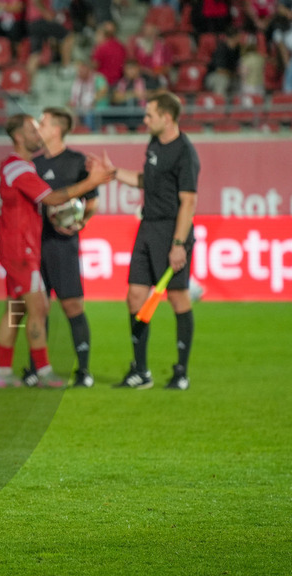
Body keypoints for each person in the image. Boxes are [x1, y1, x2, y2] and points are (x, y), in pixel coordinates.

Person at [0, 114, 112, 389]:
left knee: (16, 309)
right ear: (20, 137)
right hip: (22, 250)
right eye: (33, 131)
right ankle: (43, 372)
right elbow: (53, 198)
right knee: (39, 307)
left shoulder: (16, 167)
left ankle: (2, 373)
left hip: (16, 247)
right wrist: (92, 182)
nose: (38, 136)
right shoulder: (18, 168)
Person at [103, 92, 199, 391]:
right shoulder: (155, 144)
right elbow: (149, 180)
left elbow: (189, 202)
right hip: (147, 227)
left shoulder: (185, 152)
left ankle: (181, 372)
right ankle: (141, 371)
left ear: (167, 117)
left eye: (150, 115)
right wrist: (115, 173)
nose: (145, 120)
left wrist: (179, 244)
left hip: (172, 230)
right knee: (134, 296)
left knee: (178, 297)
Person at [24, 107, 98, 388]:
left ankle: (84, 371)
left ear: (56, 129)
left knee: (72, 306)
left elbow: (92, 202)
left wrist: (81, 223)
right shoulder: (33, 164)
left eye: (42, 123)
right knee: (37, 308)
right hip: (36, 246)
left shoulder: (78, 162)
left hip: (63, 245)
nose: (38, 127)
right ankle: (36, 369)